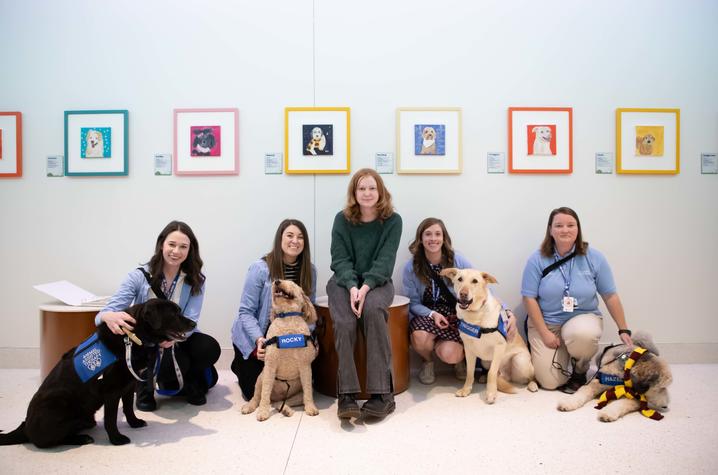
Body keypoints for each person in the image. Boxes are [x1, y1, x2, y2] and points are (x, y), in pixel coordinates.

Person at [97, 220, 220, 410]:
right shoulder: (138, 276)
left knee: (208, 348)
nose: (176, 251)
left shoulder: (196, 279)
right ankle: (144, 386)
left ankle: (191, 379)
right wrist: (107, 316)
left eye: (183, 246)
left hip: (177, 339)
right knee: (162, 365)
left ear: (190, 250)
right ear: (161, 244)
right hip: (146, 342)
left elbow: (192, 320)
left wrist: (172, 338)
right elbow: (106, 313)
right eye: (172, 244)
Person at [521, 207, 633, 394]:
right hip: (547, 323)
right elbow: (529, 298)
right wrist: (544, 333)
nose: (565, 230)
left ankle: (580, 370)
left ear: (578, 228)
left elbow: (610, 295)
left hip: (582, 318)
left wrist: (623, 328)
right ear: (550, 230)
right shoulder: (537, 259)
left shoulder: (595, 257)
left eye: (570, 225)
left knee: (582, 334)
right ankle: (565, 359)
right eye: (559, 225)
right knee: (549, 382)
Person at [326, 168, 402, 420]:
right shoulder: (341, 219)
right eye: (361, 188)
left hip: (378, 282)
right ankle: (346, 395)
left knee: (371, 311)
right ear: (354, 193)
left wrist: (366, 287)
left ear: (380, 191)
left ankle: (383, 395)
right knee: (345, 321)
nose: (367, 193)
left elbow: (385, 260)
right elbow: (339, 258)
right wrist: (351, 287)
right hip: (343, 281)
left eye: (372, 188)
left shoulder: (393, 220)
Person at [403, 217, 517, 385]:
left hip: (456, 314)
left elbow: (482, 287)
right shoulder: (411, 267)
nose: (433, 239)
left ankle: (459, 360)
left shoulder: (458, 260)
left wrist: (507, 311)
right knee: (420, 337)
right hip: (427, 314)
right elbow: (413, 303)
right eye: (428, 234)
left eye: (437, 234)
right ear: (420, 239)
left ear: (444, 238)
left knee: (451, 354)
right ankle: (427, 362)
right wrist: (432, 314)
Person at [230, 219, 317, 401]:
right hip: (258, 338)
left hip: (290, 338)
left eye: (300, 237)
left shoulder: (309, 270)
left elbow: (309, 312)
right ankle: (239, 364)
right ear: (280, 238)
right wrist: (259, 341)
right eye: (290, 235)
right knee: (253, 393)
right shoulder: (260, 268)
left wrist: (305, 339)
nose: (295, 241)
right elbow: (245, 312)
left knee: (307, 379)